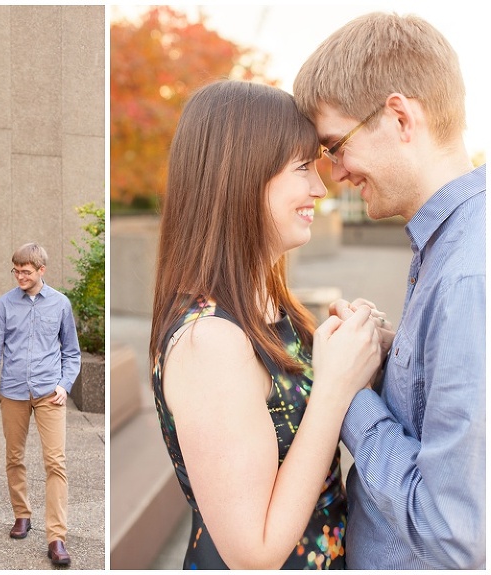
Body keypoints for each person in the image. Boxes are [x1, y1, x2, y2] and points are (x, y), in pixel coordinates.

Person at [150, 79, 385, 570]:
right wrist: (334, 386)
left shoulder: (271, 306)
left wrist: (363, 357)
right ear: (240, 177)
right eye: (303, 167)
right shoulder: (208, 342)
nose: (321, 186)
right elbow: (252, 554)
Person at [293, 12, 485, 569]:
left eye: (336, 145)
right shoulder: (449, 245)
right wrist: (390, 354)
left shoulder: (468, 275)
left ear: (400, 117)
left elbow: (453, 532)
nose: (333, 173)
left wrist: (346, 390)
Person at [0, 242, 81, 567]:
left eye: (26, 271)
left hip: (51, 393)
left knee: (56, 463)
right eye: (16, 271)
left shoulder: (61, 304)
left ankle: (56, 537)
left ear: (41, 271)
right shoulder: (5, 304)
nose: (20, 276)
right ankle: (22, 514)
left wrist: (65, 385)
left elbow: (72, 352)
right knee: (14, 457)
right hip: (14, 391)